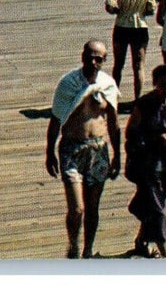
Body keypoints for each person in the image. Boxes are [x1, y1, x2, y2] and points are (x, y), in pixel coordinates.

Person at [45, 40, 121, 259]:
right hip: (72, 148)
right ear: (82, 56)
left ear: (105, 61)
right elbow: (56, 118)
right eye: (89, 56)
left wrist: (117, 154)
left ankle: (88, 249)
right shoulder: (68, 83)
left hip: (98, 149)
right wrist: (49, 151)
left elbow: (114, 124)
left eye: (98, 58)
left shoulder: (108, 85)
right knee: (77, 208)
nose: (93, 62)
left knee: (93, 207)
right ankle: (73, 244)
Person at [124, 63, 166, 259]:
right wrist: (152, 138)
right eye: (162, 84)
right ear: (154, 83)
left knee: (153, 204)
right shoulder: (143, 103)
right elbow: (130, 133)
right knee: (157, 210)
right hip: (147, 162)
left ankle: (141, 241)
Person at [105, 0, 158, 103]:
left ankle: (113, 96)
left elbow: (110, 6)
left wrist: (120, 10)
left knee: (118, 65)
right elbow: (151, 9)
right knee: (139, 66)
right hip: (140, 28)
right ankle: (138, 99)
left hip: (122, 27)